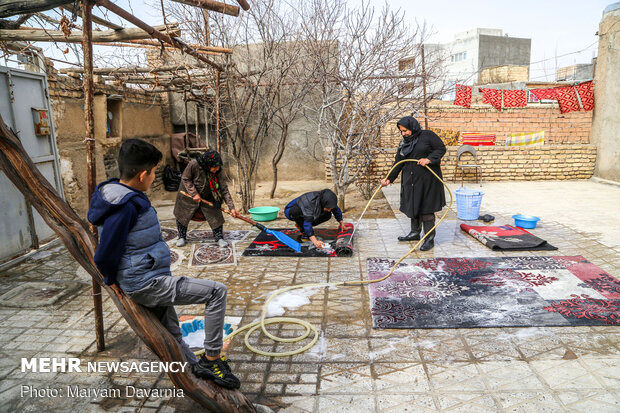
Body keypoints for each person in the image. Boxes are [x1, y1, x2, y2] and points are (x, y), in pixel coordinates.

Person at [87, 139, 240, 390]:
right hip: (146, 282)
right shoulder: (125, 206)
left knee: (173, 334)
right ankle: (212, 359)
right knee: (216, 291)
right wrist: (111, 281)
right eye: (155, 172)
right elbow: (104, 254)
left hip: (148, 275)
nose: (155, 176)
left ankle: (195, 371)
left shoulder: (121, 194)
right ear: (143, 174)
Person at [380, 116, 446, 251]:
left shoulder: (427, 136)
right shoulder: (404, 143)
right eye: (401, 131)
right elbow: (398, 162)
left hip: (428, 181)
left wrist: (429, 159)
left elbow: (441, 149)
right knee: (414, 206)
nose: (404, 133)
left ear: (413, 127)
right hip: (410, 181)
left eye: (405, 130)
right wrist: (389, 178)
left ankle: (429, 239)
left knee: (426, 209)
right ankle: (415, 233)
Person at [173, 150, 239, 248]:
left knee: (215, 215)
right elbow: (185, 178)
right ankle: (181, 237)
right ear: (208, 165)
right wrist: (194, 193)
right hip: (188, 194)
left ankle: (219, 238)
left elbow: (224, 189)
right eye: (214, 167)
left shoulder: (219, 170)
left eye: (218, 167)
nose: (216, 169)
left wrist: (231, 207)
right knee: (183, 215)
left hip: (210, 195)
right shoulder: (194, 164)